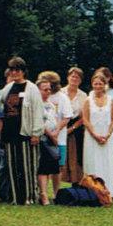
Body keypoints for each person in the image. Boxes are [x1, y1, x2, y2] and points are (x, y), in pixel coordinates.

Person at [0, 57, 45, 205]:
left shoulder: (31, 88)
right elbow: (0, 105)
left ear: (23, 71)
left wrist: (36, 132)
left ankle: (29, 197)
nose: (15, 73)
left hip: (25, 133)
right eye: (12, 70)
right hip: (9, 133)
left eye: (17, 70)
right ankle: (15, 197)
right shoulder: (8, 88)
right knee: (12, 166)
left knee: (27, 166)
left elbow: (38, 111)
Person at [82, 72, 113, 195]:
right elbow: (85, 119)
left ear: (105, 85)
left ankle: (110, 191)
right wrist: (95, 135)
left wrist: (108, 134)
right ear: (92, 84)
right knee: (93, 161)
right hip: (92, 136)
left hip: (107, 136)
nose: (98, 86)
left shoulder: (110, 100)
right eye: (95, 83)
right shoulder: (88, 100)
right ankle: (93, 191)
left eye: (100, 84)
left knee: (107, 162)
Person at [35, 72, 66, 205]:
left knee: (51, 168)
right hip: (42, 138)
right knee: (42, 169)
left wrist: (55, 134)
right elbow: (39, 122)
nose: (48, 92)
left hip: (52, 139)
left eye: (49, 89)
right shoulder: (36, 105)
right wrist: (50, 134)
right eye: (45, 89)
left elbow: (55, 120)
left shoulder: (51, 104)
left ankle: (50, 193)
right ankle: (43, 194)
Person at [61, 67, 88, 186]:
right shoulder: (60, 93)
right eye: (72, 76)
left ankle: (76, 184)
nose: (74, 79)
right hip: (60, 126)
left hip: (76, 128)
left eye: (77, 77)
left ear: (80, 80)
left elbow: (84, 116)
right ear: (67, 77)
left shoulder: (83, 95)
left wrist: (72, 129)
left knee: (76, 157)